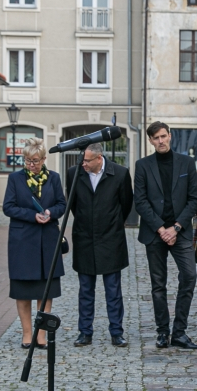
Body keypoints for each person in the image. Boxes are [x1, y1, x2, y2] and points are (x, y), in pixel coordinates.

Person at [135, 121, 197, 349]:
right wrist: (161, 229)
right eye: (156, 138)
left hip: (180, 232)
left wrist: (176, 227)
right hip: (155, 233)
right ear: (151, 140)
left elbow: (194, 199)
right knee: (158, 284)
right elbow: (140, 201)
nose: (161, 141)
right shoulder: (143, 165)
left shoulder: (187, 162)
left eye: (163, 136)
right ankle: (163, 332)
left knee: (190, 276)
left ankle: (179, 332)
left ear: (170, 136)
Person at [66, 143, 134, 348]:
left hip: (111, 239)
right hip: (84, 237)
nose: (83, 163)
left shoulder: (120, 174)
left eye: (87, 160)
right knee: (85, 289)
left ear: (99, 158)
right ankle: (85, 332)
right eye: (82, 159)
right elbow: (74, 204)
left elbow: (126, 204)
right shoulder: (74, 173)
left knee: (113, 289)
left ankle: (116, 332)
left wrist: (110, 224)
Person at [2, 138, 66, 349]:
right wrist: (32, 215)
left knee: (44, 289)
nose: (31, 165)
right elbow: (8, 208)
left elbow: (62, 204)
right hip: (22, 241)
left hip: (47, 239)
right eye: (28, 160)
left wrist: (50, 212)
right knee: (23, 289)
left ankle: (41, 334)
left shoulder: (54, 178)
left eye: (35, 161)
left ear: (44, 159)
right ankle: (27, 333)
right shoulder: (15, 179)